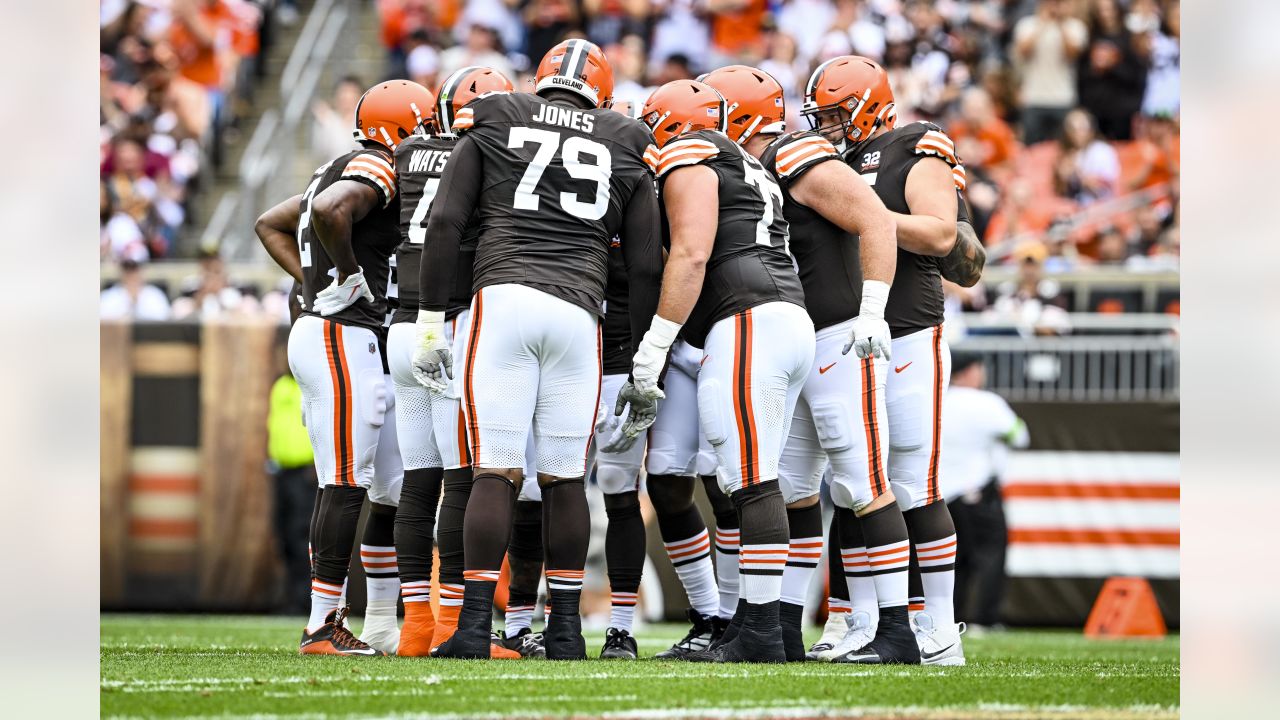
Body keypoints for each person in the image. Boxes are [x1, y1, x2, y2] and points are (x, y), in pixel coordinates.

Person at [412, 39, 664, 660]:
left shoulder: (497, 113)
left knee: (495, 468)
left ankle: (473, 627)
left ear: (541, 77)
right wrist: (644, 355)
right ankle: (568, 631)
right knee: (563, 478)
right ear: (600, 93)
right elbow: (643, 262)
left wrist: (428, 322)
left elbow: (445, 222)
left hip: (504, 298)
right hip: (581, 311)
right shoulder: (627, 137)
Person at [701, 64, 906, 665]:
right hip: (799, 337)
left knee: (862, 480)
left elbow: (872, 217)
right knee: (791, 488)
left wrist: (872, 311)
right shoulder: (752, 172)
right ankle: (782, 628)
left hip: (843, 332)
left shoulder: (793, 151)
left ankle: (897, 630)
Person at [623, 78, 816, 663]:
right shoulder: (747, 164)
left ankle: (756, 630)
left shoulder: (694, 151)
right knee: (746, 476)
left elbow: (692, 252)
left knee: (752, 480)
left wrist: (654, 344)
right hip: (776, 314)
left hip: (748, 318)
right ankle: (757, 628)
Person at [807, 56, 979, 665]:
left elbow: (942, 235)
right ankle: (860, 622)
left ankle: (939, 628)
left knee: (914, 484)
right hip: (847, 335)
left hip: (906, 330)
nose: (824, 127)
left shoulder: (914, 144)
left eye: (833, 114)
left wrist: (869, 219)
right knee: (856, 484)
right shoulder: (827, 162)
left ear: (868, 107)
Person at [254, 79, 433, 656]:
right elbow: (331, 213)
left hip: (337, 331)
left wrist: (315, 283)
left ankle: (377, 623)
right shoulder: (377, 166)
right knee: (345, 483)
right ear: (404, 128)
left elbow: (271, 224)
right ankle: (321, 625)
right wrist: (348, 281)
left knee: (385, 484)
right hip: (340, 335)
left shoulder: (336, 164)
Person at [388, 65, 525, 660]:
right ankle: (448, 625)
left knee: (415, 484)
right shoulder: (490, 158)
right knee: (460, 479)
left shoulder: (406, 152)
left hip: (400, 323)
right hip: (452, 323)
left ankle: (414, 623)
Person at [940, 352, 1029, 630]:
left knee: (952, 561)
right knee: (991, 555)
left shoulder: (937, 400)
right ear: (970, 372)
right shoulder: (987, 403)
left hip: (941, 496)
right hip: (978, 492)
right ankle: (985, 619)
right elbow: (1020, 435)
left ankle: (948, 619)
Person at [1012, 0, 1089, 144]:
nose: (1054, 6)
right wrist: (1042, 23)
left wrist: (1060, 24)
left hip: (1063, 98)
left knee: (1063, 147)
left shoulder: (1075, 26)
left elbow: (1072, 54)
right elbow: (1024, 51)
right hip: (1033, 98)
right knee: (1031, 148)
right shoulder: (1027, 24)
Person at [100, 259, 171, 321]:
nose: (132, 274)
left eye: (135, 270)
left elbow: (164, 319)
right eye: (127, 270)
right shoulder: (109, 296)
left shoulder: (155, 295)